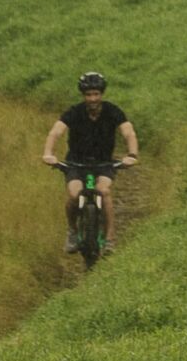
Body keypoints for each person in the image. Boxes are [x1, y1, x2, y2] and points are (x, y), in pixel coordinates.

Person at [44, 70, 138, 243]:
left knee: (103, 191)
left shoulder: (112, 111)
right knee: (74, 195)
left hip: (104, 163)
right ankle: (72, 231)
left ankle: (110, 239)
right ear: (83, 95)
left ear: (102, 94)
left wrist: (131, 154)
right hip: (76, 163)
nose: (92, 99)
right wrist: (48, 153)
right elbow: (56, 132)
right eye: (88, 94)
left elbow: (128, 132)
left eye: (96, 94)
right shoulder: (74, 112)